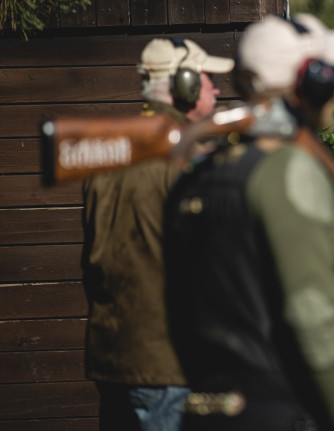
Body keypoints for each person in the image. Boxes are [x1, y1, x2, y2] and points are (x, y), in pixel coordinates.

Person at [164, 14, 334, 431]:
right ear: (309, 82)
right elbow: (316, 320)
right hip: (280, 409)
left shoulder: (201, 171)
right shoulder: (289, 172)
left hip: (205, 410)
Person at [82, 38, 234, 431]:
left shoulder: (109, 148)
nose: (215, 89)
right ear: (186, 86)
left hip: (112, 354)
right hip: (168, 362)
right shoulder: (189, 157)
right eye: (207, 79)